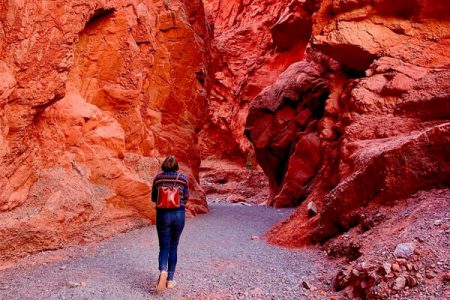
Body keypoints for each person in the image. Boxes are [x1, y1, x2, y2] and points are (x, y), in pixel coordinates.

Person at [151, 155, 189, 293]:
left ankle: (162, 271)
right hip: (178, 213)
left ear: (164, 165)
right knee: (174, 245)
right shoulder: (183, 178)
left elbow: (154, 198)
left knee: (163, 246)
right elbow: (186, 196)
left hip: (162, 214)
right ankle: (170, 280)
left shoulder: (158, 178)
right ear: (176, 165)